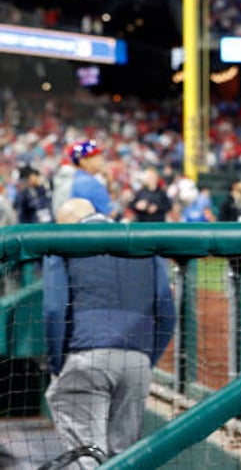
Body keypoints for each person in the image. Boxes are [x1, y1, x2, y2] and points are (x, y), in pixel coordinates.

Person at [43, 197, 176, 467]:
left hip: (86, 356)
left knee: (86, 457)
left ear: (67, 223)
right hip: (137, 361)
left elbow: (55, 310)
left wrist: (57, 364)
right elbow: (167, 312)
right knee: (125, 458)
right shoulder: (141, 242)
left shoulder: (63, 243)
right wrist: (145, 359)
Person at [65, 139, 118, 219]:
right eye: (94, 156)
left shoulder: (79, 178)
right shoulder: (89, 183)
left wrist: (109, 182)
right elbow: (112, 213)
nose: (100, 159)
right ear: (82, 161)